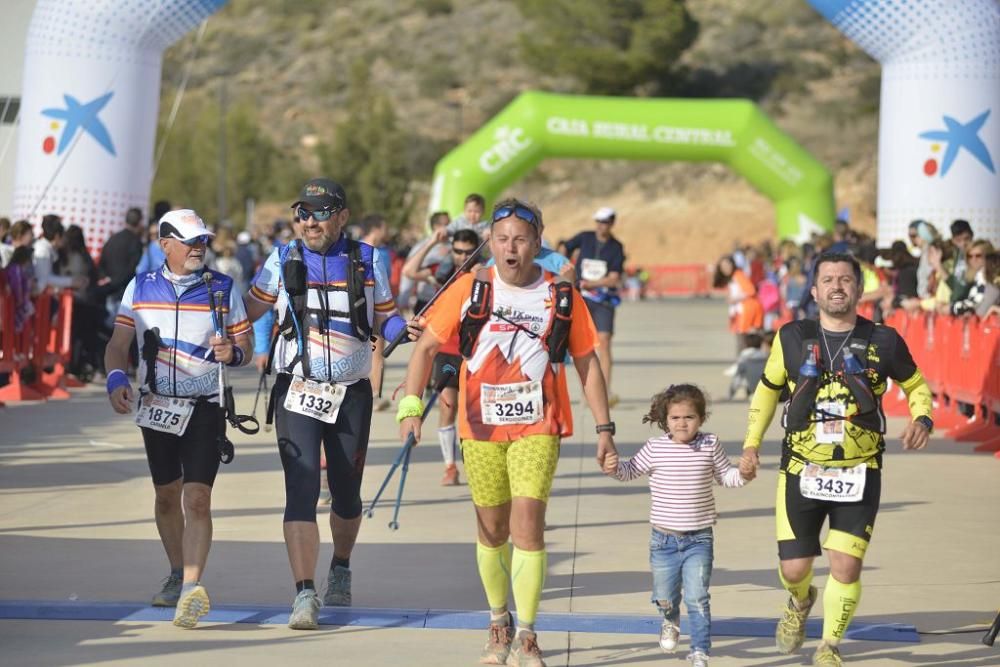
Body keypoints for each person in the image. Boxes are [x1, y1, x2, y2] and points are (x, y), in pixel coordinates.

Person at [398, 198, 617, 667]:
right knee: (492, 531)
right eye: (501, 239)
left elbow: (587, 362)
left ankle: (529, 634)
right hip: (478, 427)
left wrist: (604, 428)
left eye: (520, 239)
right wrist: (411, 405)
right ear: (490, 243)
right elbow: (427, 348)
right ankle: (499, 621)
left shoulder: (561, 295)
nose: (510, 247)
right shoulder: (469, 290)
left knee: (527, 528)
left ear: (538, 243)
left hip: (540, 423)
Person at [739, 252, 933, 666]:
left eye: (846, 279)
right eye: (828, 280)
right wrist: (751, 444)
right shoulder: (791, 336)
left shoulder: (885, 340)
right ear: (814, 290)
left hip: (860, 470)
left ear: (860, 290)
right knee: (794, 569)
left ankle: (829, 646)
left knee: (845, 565)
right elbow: (768, 390)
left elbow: (917, 385)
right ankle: (799, 601)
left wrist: (923, 418)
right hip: (801, 468)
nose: (837, 286)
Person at [243, 178, 419, 630]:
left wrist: (404, 329)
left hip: (351, 393)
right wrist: (216, 323)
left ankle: (340, 564)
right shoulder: (281, 258)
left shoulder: (367, 259)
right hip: (296, 389)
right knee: (300, 489)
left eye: (319, 212)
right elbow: (249, 308)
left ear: (341, 216)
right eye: (302, 213)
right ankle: (304, 594)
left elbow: (385, 315)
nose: (308, 221)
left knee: (345, 492)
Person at [103, 208, 252, 628]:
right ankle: (175, 571)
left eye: (203, 239)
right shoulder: (141, 286)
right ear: (164, 244)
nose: (199, 247)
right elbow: (119, 343)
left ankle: (191, 588)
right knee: (167, 495)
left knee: (197, 497)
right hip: (157, 406)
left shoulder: (222, 287)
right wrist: (116, 378)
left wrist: (234, 353)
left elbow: (243, 343)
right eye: (190, 240)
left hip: (205, 405)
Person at [602, 384, 749, 667]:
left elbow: (726, 477)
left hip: (699, 539)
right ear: (665, 420)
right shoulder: (656, 448)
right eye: (675, 418)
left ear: (701, 419)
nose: (682, 423)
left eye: (689, 417)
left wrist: (744, 473)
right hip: (663, 541)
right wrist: (613, 467)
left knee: (698, 597)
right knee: (665, 597)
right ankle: (670, 619)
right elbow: (630, 470)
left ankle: (700, 651)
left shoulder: (709, 444)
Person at [402, 227, 482, 485]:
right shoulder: (443, 272)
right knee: (448, 405)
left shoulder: (487, 274)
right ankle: (450, 466)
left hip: (475, 353)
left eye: (468, 252)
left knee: (472, 412)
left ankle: (476, 462)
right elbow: (409, 272)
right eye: (457, 251)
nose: (463, 256)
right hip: (446, 350)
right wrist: (430, 242)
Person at [560, 207, 626, 405]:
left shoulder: (616, 247)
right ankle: (588, 390)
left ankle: (605, 389)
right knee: (583, 344)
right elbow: (564, 247)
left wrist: (592, 284)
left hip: (603, 299)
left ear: (612, 223)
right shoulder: (585, 237)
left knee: (604, 342)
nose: (601, 226)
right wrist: (562, 265)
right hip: (582, 298)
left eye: (605, 222)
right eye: (598, 221)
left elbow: (614, 278)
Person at [713, 255, 764, 353]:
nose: (725, 268)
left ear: (732, 264)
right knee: (742, 339)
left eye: (727, 265)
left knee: (745, 340)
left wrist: (735, 299)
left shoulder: (738, 275)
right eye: (722, 266)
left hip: (748, 310)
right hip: (741, 311)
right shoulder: (732, 277)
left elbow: (751, 290)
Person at [33, 214, 83, 293]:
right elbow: (45, 278)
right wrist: (71, 281)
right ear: (57, 236)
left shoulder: (47, 249)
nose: (65, 240)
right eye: (63, 236)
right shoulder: (43, 250)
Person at [950, 240, 997, 317]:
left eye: (978, 256)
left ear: (989, 257)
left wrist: (951, 308)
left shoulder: (993, 280)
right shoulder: (976, 277)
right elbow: (969, 302)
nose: (973, 260)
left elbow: (980, 310)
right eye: (970, 256)